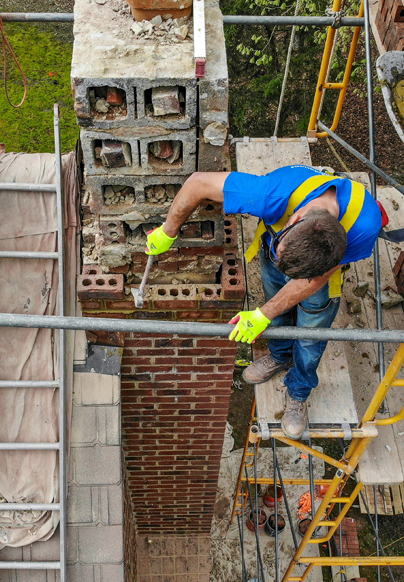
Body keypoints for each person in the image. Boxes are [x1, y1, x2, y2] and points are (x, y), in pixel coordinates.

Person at [145, 165, 383, 439]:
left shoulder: (364, 227)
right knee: (276, 307)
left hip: (320, 278)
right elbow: (198, 183)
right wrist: (168, 230)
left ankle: (298, 392)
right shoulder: (274, 194)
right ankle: (280, 356)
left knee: (310, 338)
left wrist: (262, 315)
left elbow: (316, 280)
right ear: (294, 219)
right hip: (278, 248)